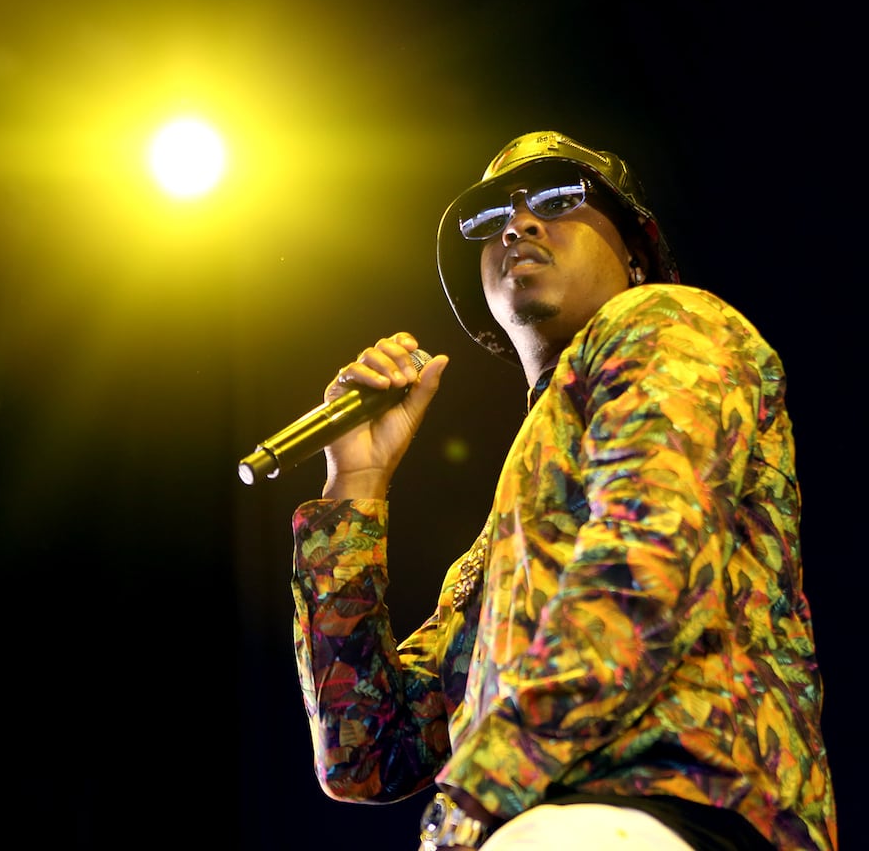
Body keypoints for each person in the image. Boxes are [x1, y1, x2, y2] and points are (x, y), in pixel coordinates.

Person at [288, 130, 836, 850]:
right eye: (491, 218)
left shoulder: (664, 323)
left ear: (635, 252)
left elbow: (645, 566)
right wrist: (355, 484)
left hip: (673, 812)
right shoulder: (495, 559)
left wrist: (477, 794)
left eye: (557, 197)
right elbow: (363, 757)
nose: (518, 224)